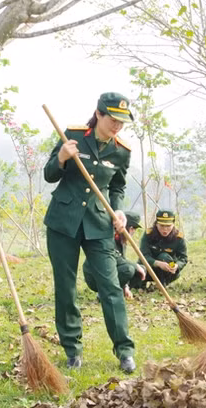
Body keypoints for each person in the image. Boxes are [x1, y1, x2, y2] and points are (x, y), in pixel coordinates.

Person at [43, 92, 136, 373]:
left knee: (110, 286)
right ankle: (72, 349)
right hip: (63, 223)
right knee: (66, 287)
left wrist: (118, 210)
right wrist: (60, 157)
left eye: (122, 121)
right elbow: (49, 174)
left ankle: (124, 350)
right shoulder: (72, 135)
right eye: (113, 119)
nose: (117, 126)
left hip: (99, 225)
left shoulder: (122, 150)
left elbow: (117, 187)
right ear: (98, 114)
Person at [82, 210, 146, 298]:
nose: (133, 231)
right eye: (132, 228)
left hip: (110, 271)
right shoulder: (109, 236)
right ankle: (103, 293)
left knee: (141, 269)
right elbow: (113, 256)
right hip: (95, 275)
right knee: (129, 269)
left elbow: (122, 259)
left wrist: (126, 286)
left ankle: (120, 291)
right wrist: (135, 265)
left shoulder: (122, 240)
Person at [138, 209, 188, 287]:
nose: (165, 229)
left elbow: (183, 258)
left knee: (164, 256)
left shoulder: (178, 237)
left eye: (168, 226)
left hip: (169, 269)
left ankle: (163, 283)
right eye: (162, 226)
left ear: (173, 225)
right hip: (150, 268)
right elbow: (143, 256)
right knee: (137, 279)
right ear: (156, 224)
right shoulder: (148, 235)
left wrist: (176, 266)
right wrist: (157, 263)